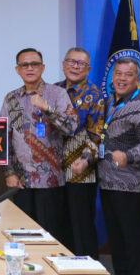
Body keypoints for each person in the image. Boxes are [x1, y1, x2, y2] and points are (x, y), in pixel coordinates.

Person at [1, 48, 76, 242]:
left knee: (50, 236)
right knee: (23, 235)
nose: (30, 68)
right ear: (17, 69)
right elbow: (4, 138)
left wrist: (48, 108)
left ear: (42, 68)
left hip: (50, 180)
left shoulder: (57, 94)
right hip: (21, 181)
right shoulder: (11, 99)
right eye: (24, 65)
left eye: (34, 64)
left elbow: (70, 127)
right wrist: (9, 173)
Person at [97, 57, 140, 275]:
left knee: (135, 243)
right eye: (118, 73)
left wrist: (128, 156)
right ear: (112, 77)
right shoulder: (108, 103)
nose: (122, 78)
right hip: (108, 182)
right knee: (118, 242)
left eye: (128, 74)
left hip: (132, 186)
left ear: (138, 80)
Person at [55, 47, 103, 259]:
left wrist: (85, 160)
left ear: (88, 69)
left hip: (80, 172)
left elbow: (97, 135)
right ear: (63, 65)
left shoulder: (95, 95)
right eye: (71, 61)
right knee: (59, 226)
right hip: (54, 172)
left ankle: (88, 269)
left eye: (80, 63)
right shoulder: (54, 90)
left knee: (81, 227)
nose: (75, 66)